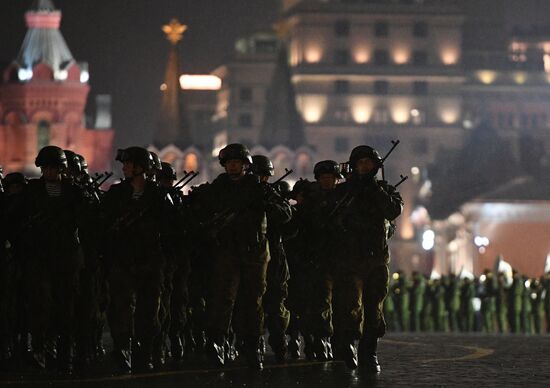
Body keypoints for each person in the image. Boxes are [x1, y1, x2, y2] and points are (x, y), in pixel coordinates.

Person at [190, 144, 290, 370]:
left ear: (246, 165)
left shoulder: (258, 188)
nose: (233, 166)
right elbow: (198, 212)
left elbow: (285, 214)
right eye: (230, 162)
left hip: (254, 252)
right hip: (226, 251)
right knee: (223, 298)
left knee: (253, 301)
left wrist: (267, 204)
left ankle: (253, 344)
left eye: (238, 162)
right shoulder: (218, 188)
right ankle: (218, 341)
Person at [333, 145, 403, 371]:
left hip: (376, 259)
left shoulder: (384, 190)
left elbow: (393, 211)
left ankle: (369, 352)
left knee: (374, 307)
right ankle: (347, 345)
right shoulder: (343, 191)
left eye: (368, 163)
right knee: (350, 305)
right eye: (360, 162)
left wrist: (373, 189)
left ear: (375, 166)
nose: (364, 166)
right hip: (349, 258)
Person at [101, 147, 169, 371]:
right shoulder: (116, 193)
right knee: (120, 307)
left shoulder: (158, 196)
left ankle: (145, 352)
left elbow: (173, 228)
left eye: (129, 163)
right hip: (123, 259)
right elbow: (102, 223)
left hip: (150, 260)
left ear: (141, 167)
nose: (125, 167)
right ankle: (122, 349)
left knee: (148, 310)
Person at [22, 146, 87, 372]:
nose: (49, 172)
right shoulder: (31, 191)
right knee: (41, 304)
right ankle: (40, 348)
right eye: (46, 167)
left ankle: (64, 352)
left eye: (53, 167)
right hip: (40, 257)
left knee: (66, 307)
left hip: (65, 257)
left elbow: (86, 220)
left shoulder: (73, 192)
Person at [250, 155, 292, 363]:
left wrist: (268, 201)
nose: (260, 179)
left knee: (275, 303)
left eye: (262, 176)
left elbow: (287, 217)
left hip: (273, 256)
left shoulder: (271, 195)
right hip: (249, 255)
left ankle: (279, 342)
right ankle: (253, 342)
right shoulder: (240, 195)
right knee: (250, 302)